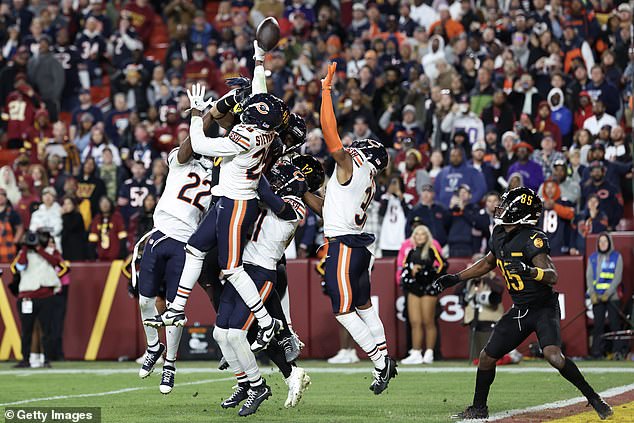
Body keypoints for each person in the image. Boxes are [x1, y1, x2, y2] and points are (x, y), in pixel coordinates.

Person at [433, 187, 613, 420]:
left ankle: (594, 398)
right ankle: (479, 407)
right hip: (520, 310)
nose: (502, 208)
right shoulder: (498, 233)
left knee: (554, 356)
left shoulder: (533, 239)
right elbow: (488, 263)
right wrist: (456, 278)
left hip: (543, 308)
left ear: (520, 213)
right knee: (487, 357)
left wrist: (530, 270)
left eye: (508, 205)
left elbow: (552, 275)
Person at [149, 81, 287, 355]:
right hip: (227, 199)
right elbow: (259, 98)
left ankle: (266, 321)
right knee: (195, 247)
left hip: (237, 204)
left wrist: (198, 112)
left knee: (232, 269)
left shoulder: (246, 137)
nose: (247, 110)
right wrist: (257, 61)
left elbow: (199, 143)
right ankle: (176, 308)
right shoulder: (266, 134)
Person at [302, 62, 397, 395]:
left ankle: (379, 362)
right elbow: (326, 209)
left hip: (342, 247)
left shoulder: (353, 164)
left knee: (343, 312)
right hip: (357, 247)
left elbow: (330, 135)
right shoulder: (366, 176)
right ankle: (385, 356)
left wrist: (326, 92)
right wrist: (301, 190)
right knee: (363, 307)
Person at [11, 229, 68, 368]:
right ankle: (26, 358)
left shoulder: (51, 251)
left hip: (46, 296)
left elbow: (57, 263)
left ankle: (46, 358)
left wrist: (39, 249)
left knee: (46, 329)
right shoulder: (23, 253)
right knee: (26, 330)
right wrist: (25, 248)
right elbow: (19, 266)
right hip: (27, 296)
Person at [399, 225, 445, 365]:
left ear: (427, 237)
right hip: (414, 288)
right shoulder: (410, 252)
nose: (419, 237)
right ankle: (416, 352)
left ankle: (429, 352)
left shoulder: (432, 251)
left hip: (428, 288)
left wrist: (427, 272)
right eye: (417, 234)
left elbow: (442, 265)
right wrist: (412, 272)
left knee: (428, 321)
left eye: (422, 234)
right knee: (415, 322)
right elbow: (404, 268)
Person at [587, 233, 626, 359]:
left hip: (612, 297)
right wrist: (592, 294)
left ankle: (617, 352)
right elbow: (589, 277)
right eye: (601, 241)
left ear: (610, 243)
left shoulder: (617, 257)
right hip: (597, 298)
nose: (603, 244)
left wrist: (608, 293)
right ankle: (597, 353)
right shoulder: (592, 258)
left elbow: (617, 277)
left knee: (615, 325)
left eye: (605, 241)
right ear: (598, 244)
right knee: (598, 326)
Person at [378, 177, 413, 257]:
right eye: (392, 183)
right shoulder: (385, 197)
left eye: (396, 183)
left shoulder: (408, 197)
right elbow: (381, 213)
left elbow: (408, 215)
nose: (394, 186)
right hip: (387, 239)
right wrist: (388, 194)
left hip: (401, 238)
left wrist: (401, 198)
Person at [29, 187, 62, 251]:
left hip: (55, 244)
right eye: (45, 195)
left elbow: (57, 229)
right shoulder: (36, 214)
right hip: (40, 243)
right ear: (42, 197)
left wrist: (42, 229)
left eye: (50, 195)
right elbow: (32, 229)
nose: (48, 197)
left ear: (54, 198)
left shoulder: (60, 212)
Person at [0, 187, 24, 263]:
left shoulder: (12, 213)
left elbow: (20, 228)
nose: (0, 197)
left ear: (6, 198)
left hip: (8, 250)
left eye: (2, 195)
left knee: (7, 273)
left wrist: (15, 241)